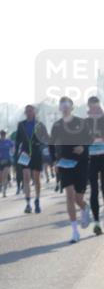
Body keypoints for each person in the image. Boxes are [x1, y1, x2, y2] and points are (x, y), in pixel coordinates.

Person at [48, 96, 93, 243]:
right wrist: (54, 161)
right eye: (62, 104)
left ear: (72, 107)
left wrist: (83, 147)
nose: (65, 107)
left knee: (78, 198)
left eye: (67, 104)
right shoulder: (56, 126)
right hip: (64, 163)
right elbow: (51, 144)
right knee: (69, 195)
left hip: (81, 163)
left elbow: (90, 138)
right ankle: (74, 231)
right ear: (60, 108)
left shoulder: (81, 122)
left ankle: (85, 208)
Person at [14, 105, 50, 214]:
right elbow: (17, 141)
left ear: (34, 112)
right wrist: (16, 154)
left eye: (31, 111)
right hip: (24, 154)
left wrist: (44, 148)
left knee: (36, 179)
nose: (29, 113)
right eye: (27, 111)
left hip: (36, 153)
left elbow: (46, 139)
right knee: (26, 177)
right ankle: (28, 203)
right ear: (25, 113)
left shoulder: (40, 124)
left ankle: (37, 200)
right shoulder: (21, 125)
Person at [86, 96, 104, 236]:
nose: (94, 109)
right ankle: (97, 222)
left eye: (96, 106)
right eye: (92, 107)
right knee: (94, 190)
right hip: (91, 159)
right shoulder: (85, 123)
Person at [0, 130, 14, 198]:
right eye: (2, 134)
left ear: (5, 135)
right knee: (0, 177)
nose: (3, 136)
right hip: (0, 161)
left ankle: (4, 192)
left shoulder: (8, 141)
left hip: (7, 160)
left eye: (4, 134)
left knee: (5, 176)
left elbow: (13, 147)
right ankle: (1, 185)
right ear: (0, 135)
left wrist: (12, 152)